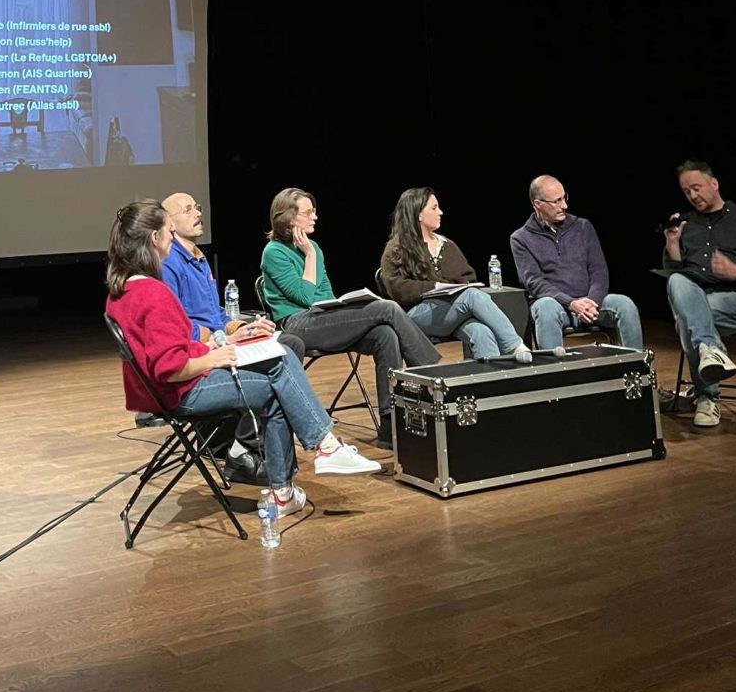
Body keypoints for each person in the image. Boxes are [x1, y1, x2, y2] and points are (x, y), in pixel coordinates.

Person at [105, 199, 380, 521]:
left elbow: (170, 349)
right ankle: (309, 463)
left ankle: (312, 460)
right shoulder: (153, 292)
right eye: (167, 230)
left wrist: (222, 343)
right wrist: (215, 357)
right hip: (182, 391)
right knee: (280, 377)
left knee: (280, 357)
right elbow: (172, 368)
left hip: (171, 385)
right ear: (155, 238)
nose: (170, 237)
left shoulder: (122, 289)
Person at [260, 187, 440, 447]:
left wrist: (339, 302)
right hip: (297, 325)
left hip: (324, 319)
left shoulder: (316, 247)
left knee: (384, 335)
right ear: (289, 218)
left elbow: (324, 294)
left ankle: (390, 427)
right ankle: (433, 374)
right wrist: (309, 255)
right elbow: (307, 298)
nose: (315, 217)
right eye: (308, 212)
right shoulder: (274, 252)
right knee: (387, 308)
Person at [162, 190, 305, 484]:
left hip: (219, 340)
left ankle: (249, 443)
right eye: (188, 210)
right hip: (202, 351)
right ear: (170, 224)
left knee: (286, 342)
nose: (197, 213)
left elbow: (213, 312)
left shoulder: (198, 258)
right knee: (279, 364)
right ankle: (245, 448)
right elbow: (175, 323)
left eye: (197, 207)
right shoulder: (168, 263)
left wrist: (238, 327)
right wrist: (218, 336)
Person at [662, 159, 736, 429]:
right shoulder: (685, 224)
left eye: (697, 187)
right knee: (680, 284)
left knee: (686, 319)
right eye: (686, 191)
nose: (692, 195)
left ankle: (707, 395)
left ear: (714, 184)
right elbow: (673, 272)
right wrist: (672, 243)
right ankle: (710, 353)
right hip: (696, 298)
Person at [379, 186, 531, 362]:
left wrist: (451, 289)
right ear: (418, 214)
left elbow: (467, 278)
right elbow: (397, 289)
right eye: (434, 208)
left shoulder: (447, 245)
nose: (441, 212)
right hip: (415, 317)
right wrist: (434, 287)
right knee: (471, 296)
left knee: (482, 332)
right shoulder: (396, 249)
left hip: (450, 313)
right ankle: (513, 344)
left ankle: (489, 383)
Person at [510, 174, 643, 352]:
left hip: (591, 303)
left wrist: (590, 302)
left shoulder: (582, 226)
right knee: (545, 308)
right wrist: (572, 303)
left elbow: (599, 271)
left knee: (624, 304)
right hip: (556, 306)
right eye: (556, 201)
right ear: (537, 205)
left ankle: (635, 371)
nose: (564, 206)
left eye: (564, 198)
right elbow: (534, 283)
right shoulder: (521, 238)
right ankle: (557, 376)